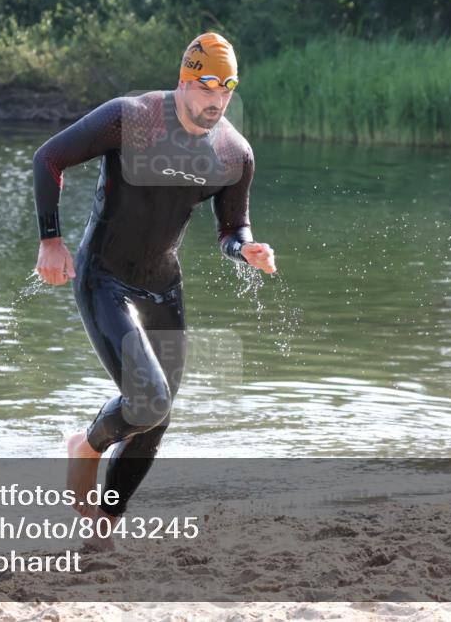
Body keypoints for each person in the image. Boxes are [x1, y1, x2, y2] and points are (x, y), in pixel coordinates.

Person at [32, 33, 276, 546]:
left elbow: (232, 228)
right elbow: (49, 159)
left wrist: (245, 250)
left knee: (156, 421)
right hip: (103, 277)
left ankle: (103, 528)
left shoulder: (234, 153)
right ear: (185, 80)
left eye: (227, 90)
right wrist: (51, 241)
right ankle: (85, 445)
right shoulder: (132, 118)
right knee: (148, 402)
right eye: (208, 87)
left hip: (163, 287)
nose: (218, 100)